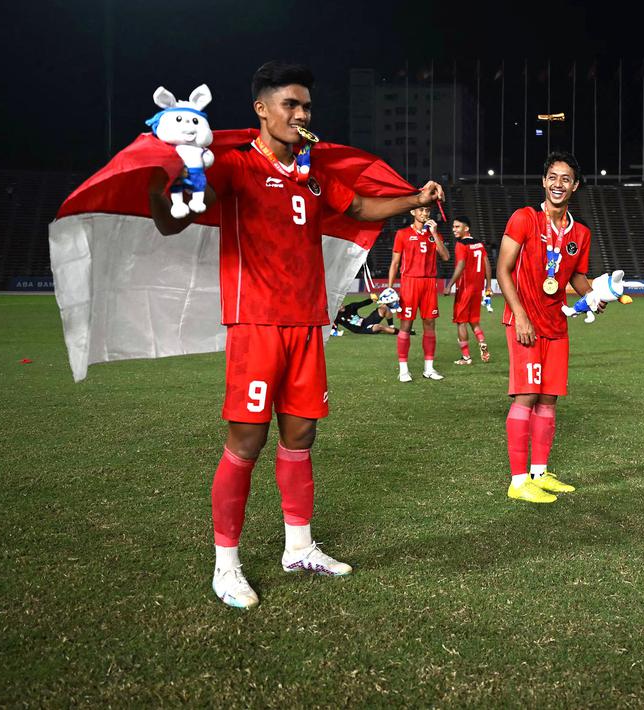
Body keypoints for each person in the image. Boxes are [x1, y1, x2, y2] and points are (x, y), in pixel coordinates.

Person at [147, 61, 445, 609]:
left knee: (301, 435)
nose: (302, 114)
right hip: (256, 323)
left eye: (306, 105)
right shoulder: (234, 167)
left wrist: (415, 201)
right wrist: (166, 188)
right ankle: (226, 564)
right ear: (261, 109)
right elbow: (175, 216)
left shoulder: (309, 173)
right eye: (290, 104)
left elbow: (355, 205)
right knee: (247, 441)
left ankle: (299, 547)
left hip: (308, 323)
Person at [496, 151, 599, 504]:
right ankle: (517, 479)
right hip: (524, 322)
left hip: (556, 324)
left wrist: (598, 296)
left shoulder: (580, 234)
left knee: (549, 400)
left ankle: (539, 473)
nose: (558, 184)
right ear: (544, 181)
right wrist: (520, 315)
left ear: (575, 186)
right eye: (553, 177)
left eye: (565, 179)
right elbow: (503, 271)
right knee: (526, 395)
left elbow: (578, 278)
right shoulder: (524, 219)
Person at [386, 206, 450, 382]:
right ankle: (403, 370)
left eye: (427, 211)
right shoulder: (402, 234)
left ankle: (428, 369)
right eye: (421, 210)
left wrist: (435, 233)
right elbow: (395, 263)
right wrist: (390, 287)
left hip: (429, 283)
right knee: (406, 325)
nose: (424, 214)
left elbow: (445, 256)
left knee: (430, 324)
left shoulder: (433, 234)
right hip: (410, 282)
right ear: (413, 212)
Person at [444, 216, 492, 365]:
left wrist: (449, 284)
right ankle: (482, 342)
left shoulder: (461, 244)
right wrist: (488, 285)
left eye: (457, 227)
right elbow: (487, 264)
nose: (454, 229)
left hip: (465, 288)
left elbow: (461, 265)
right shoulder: (479, 244)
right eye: (453, 226)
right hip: (477, 288)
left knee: (461, 322)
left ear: (466, 228)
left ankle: (466, 357)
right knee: (473, 320)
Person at [331, 295, 398, 336]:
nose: (341, 306)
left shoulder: (351, 306)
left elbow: (363, 303)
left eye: (341, 303)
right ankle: (401, 333)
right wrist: (334, 332)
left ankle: (391, 326)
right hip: (361, 330)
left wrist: (371, 299)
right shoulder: (336, 316)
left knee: (384, 307)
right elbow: (333, 329)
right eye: (338, 306)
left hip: (366, 321)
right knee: (379, 326)